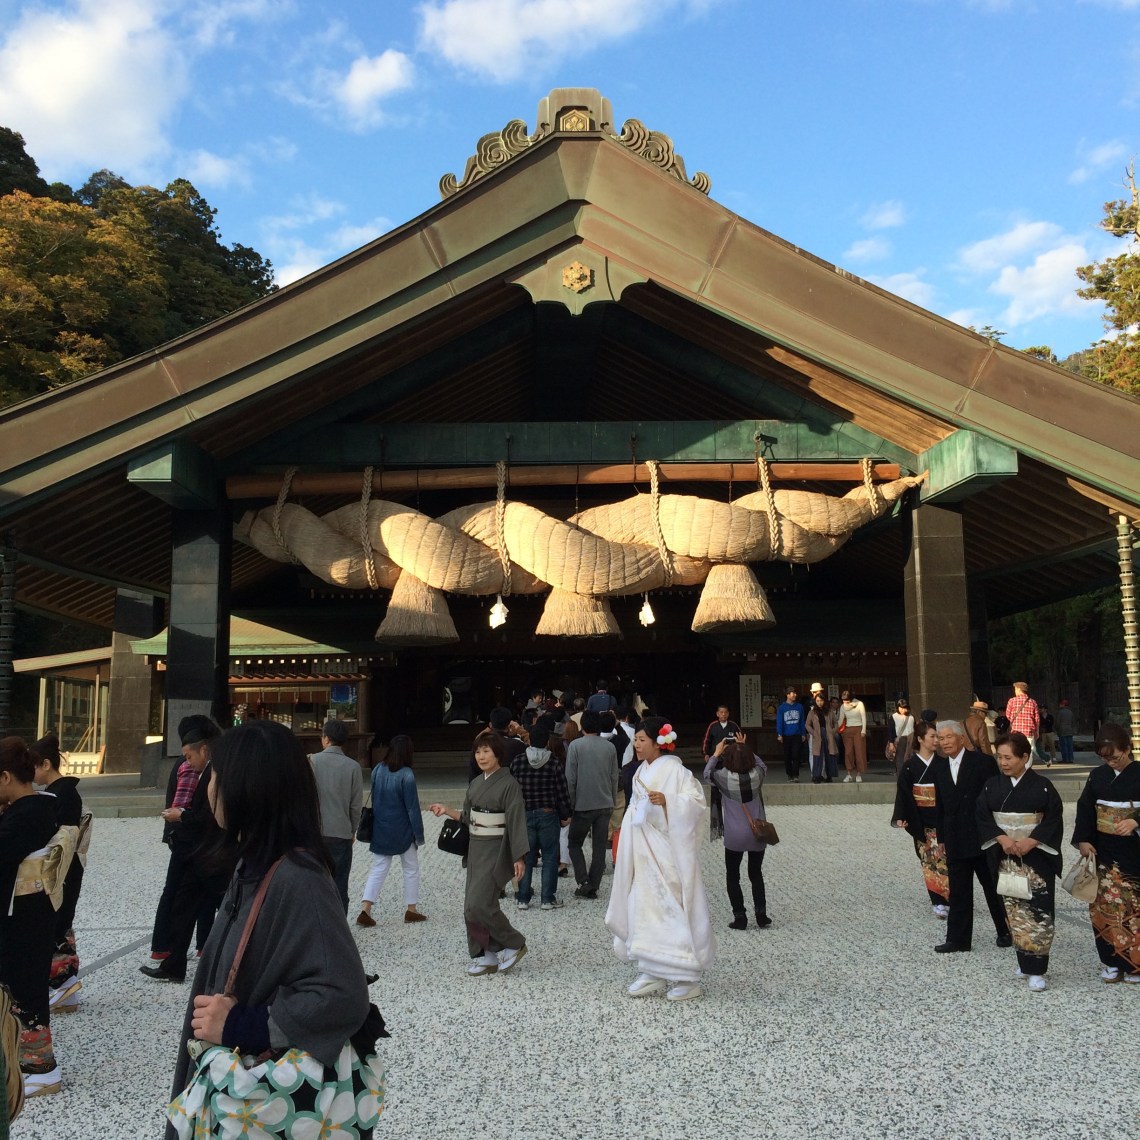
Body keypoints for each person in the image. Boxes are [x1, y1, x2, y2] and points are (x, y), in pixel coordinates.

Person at [164, 720, 384, 1140]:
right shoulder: (253, 863)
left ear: (249, 786)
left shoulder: (298, 879)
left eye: (218, 777)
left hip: (263, 1100)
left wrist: (243, 1025)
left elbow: (343, 995)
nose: (209, 787)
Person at [605, 718, 715, 1001]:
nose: (637, 744)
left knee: (672, 909)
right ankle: (651, 968)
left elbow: (696, 804)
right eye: (636, 739)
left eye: (642, 739)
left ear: (658, 743)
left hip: (666, 851)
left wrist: (668, 801)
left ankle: (686, 974)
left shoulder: (676, 772)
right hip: (643, 850)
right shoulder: (639, 771)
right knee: (643, 905)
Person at [0, 737, 70, 1098]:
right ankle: (29, 1064)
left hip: (21, 922)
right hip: (35, 916)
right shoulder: (45, 806)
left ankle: (39, 1068)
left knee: (21, 992)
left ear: (6, 777)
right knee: (24, 991)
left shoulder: (22, 818)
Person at [429, 731, 529, 976]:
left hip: (496, 849)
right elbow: (467, 817)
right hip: (475, 848)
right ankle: (486, 954)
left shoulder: (509, 784)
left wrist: (519, 855)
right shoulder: (476, 783)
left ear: (498, 754)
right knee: (470, 907)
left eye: (486, 751)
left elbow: (516, 820)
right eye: (478, 751)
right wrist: (447, 810)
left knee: (481, 904)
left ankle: (514, 943)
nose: (481, 756)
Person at [141, 716, 231, 984]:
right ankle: (174, 964)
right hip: (201, 855)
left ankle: (230, 963)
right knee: (184, 907)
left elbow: (212, 816)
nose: (186, 762)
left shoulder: (217, 772)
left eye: (189, 756)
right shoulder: (207, 771)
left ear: (204, 749)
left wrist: (182, 816)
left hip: (213, 855)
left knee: (226, 908)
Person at [976, 732, 1064, 992]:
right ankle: (1023, 960)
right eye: (999, 757)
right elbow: (982, 815)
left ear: (1025, 757)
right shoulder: (992, 785)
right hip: (1005, 855)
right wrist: (1001, 838)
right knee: (1013, 908)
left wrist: (1033, 840)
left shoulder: (1043, 786)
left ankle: (1036, 969)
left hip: (1035, 857)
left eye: (1008, 757)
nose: (1002, 762)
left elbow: (1053, 818)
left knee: (1038, 911)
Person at [930, 721, 1011, 954]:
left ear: (961, 738)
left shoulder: (983, 763)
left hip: (982, 836)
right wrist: (941, 837)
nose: (943, 742)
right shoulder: (939, 767)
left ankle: (1005, 931)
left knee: (992, 886)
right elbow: (941, 806)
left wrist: (998, 833)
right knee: (959, 890)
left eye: (948, 737)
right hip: (955, 836)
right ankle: (958, 939)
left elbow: (996, 797)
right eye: (940, 738)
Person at [1071, 722, 1140, 984]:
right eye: (1104, 758)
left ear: (1128, 748)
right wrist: (1083, 840)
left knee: (1134, 907)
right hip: (1104, 850)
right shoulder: (1097, 776)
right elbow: (1085, 808)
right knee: (1103, 907)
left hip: (1134, 851)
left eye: (1115, 756)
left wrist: (1136, 821)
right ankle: (1111, 961)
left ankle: (1136, 964)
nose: (1110, 762)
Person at [30, 735, 87, 1014]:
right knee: (60, 926)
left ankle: (63, 989)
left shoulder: (62, 794)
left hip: (62, 869)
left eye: (34, 767)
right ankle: (65, 990)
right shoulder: (61, 793)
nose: (31, 774)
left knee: (56, 926)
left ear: (46, 764)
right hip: (65, 868)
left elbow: (61, 838)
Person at [356, 734, 426, 927]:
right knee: (411, 868)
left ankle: (366, 908)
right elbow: (412, 808)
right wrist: (418, 834)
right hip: (402, 828)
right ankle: (411, 910)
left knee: (378, 868)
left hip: (381, 826)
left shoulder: (378, 769)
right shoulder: (407, 775)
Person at [704, 735, 771, 930]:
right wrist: (744, 747)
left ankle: (740, 916)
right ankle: (761, 914)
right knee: (756, 873)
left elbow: (707, 773)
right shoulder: (757, 776)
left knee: (733, 875)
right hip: (757, 832)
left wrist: (716, 754)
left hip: (734, 835)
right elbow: (762, 765)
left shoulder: (723, 778)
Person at [892, 720, 949, 920]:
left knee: (944, 860)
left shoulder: (943, 764)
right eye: (932, 736)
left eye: (937, 737)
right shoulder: (910, 767)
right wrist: (901, 816)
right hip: (922, 819)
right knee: (929, 862)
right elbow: (904, 794)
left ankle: (948, 898)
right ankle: (939, 901)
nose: (936, 740)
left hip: (941, 817)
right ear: (920, 739)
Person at [510, 728, 572, 911]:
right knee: (550, 857)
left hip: (524, 813)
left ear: (529, 741)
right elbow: (562, 790)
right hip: (547, 813)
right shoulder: (553, 762)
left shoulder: (518, 761)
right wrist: (565, 814)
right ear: (546, 742)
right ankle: (547, 898)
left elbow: (511, 789)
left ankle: (523, 898)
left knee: (526, 857)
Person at [565, 709, 621, 899]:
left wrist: (570, 802)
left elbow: (570, 778)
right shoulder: (609, 747)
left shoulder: (575, 746)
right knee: (599, 846)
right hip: (605, 802)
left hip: (582, 803)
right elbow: (615, 777)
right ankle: (593, 885)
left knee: (574, 843)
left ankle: (583, 880)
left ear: (582, 726)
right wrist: (612, 799)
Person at [310, 719, 363, 914]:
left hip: (316, 832)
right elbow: (355, 806)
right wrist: (352, 830)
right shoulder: (353, 767)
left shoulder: (312, 762)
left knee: (315, 883)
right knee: (340, 885)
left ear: (325, 738)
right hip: (341, 832)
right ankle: (340, 932)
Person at [467, 707, 528, 781]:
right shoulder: (517, 745)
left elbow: (472, 775)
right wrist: (519, 730)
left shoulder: (479, 745)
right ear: (509, 725)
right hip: (509, 789)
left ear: (491, 724)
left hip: (485, 789)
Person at [775, 686, 806, 783]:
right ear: (787, 695)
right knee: (787, 755)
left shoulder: (799, 707)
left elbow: (802, 721)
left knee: (796, 754)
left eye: (795, 693)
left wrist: (803, 733)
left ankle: (796, 775)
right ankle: (789, 774)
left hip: (796, 733)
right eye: (792, 693)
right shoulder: (782, 708)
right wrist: (779, 734)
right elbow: (779, 721)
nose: (795, 695)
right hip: (786, 735)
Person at [837, 690, 868, 783]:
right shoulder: (842, 706)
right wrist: (835, 729)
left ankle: (858, 774)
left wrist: (864, 730)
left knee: (859, 752)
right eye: (843, 700)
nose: (845, 702)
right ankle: (849, 773)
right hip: (847, 729)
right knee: (848, 752)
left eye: (846, 700)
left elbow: (863, 717)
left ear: (851, 699)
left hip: (859, 728)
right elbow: (840, 719)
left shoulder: (859, 704)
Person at [1004, 682, 1039, 761]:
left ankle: (1018, 769)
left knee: (1016, 751)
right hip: (1029, 731)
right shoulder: (1033, 702)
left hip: (1015, 731)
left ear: (1019, 689)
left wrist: (1015, 721)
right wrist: (1037, 731)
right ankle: (1027, 768)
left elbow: (1008, 715)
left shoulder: (1011, 701)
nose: (1015, 691)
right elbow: (1037, 719)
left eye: (1015, 689)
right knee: (1029, 751)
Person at [887, 698, 915, 774]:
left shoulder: (911, 717)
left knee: (910, 759)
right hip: (900, 740)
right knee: (900, 760)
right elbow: (891, 731)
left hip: (911, 740)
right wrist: (891, 743)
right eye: (901, 708)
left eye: (904, 708)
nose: (902, 710)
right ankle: (900, 777)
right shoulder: (894, 717)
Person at [1055, 699, 1076, 764]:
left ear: (1063, 704)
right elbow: (1073, 722)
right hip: (1069, 730)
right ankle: (1070, 758)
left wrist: (1057, 729)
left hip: (1062, 730)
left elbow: (1058, 722)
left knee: (1064, 745)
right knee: (1070, 745)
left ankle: (1065, 759)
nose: (1059, 705)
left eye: (1061, 704)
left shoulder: (1060, 712)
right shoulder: (1070, 712)